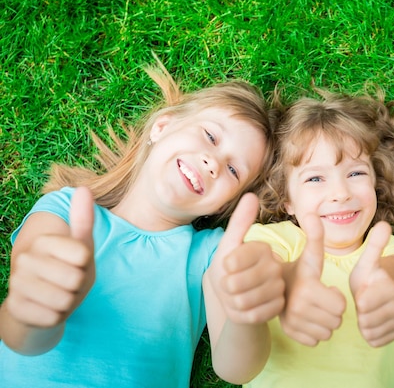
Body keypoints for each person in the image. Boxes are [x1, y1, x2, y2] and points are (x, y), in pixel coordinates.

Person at [0, 57, 285, 387]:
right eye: (210, 136)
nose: (213, 163)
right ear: (162, 126)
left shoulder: (212, 254)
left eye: (234, 170)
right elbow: (21, 339)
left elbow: (236, 369)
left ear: (226, 203)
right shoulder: (64, 209)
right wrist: (40, 307)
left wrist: (246, 317)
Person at [230, 88, 394, 388]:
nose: (341, 193)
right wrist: (283, 281)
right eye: (315, 178)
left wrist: (383, 282)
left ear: (376, 182)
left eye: (356, 174)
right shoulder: (276, 240)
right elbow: (261, 265)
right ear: (287, 198)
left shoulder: (390, 248)